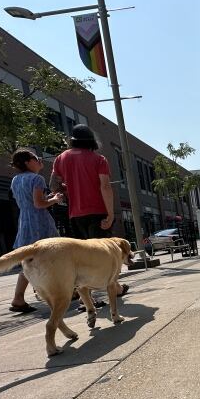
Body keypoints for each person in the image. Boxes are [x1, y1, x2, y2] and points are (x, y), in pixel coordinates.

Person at [50, 124, 128, 310]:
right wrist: (110, 214)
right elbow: (105, 187)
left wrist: (68, 189)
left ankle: (95, 297)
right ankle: (111, 291)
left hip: (75, 215)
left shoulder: (61, 158)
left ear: (73, 140)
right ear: (91, 140)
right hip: (97, 213)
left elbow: (53, 185)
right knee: (104, 258)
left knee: (81, 260)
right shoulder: (99, 159)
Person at [9, 148, 64, 313]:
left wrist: (47, 199)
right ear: (27, 162)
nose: (39, 160)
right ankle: (60, 292)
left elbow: (31, 202)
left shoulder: (16, 180)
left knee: (28, 262)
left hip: (25, 222)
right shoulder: (37, 179)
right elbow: (39, 204)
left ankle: (18, 298)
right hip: (40, 223)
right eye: (35, 157)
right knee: (53, 258)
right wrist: (54, 199)